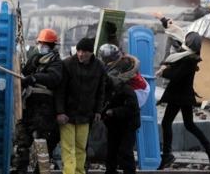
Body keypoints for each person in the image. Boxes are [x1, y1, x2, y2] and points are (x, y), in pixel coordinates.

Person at [155, 24, 210, 170]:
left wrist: (164, 72)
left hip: (179, 95)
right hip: (184, 95)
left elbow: (175, 76)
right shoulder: (189, 57)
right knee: (189, 125)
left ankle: (167, 155)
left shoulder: (188, 59)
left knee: (166, 123)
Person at [14, 28, 63, 174]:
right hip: (29, 106)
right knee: (22, 140)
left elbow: (54, 78)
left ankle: (41, 171)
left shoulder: (56, 63)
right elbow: (23, 74)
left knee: (42, 143)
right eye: (40, 43)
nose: (42, 46)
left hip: (44, 109)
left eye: (45, 44)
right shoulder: (34, 59)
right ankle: (20, 169)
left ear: (52, 46)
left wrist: (35, 78)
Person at [55, 37, 106, 174]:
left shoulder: (99, 67)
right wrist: (60, 112)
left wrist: (98, 111)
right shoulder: (67, 64)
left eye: (84, 51)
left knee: (81, 148)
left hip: (85, 115)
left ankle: (79, 172)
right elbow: (60, 91)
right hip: (68, 115)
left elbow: (101, 91)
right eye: (79, 51)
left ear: (91, 53)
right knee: (68, 147)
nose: (81, 54)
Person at [99, 45, 141, 174]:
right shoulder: (108, 72)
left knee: (125, 152)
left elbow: (131, 107)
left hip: (127, 122)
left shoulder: (124, 78)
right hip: (112, 121)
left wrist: (114, 111)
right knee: (111, 151)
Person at [98, 43, 150, 108]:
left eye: (103, 59)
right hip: (139, 86)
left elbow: (112, 81)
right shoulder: (118, 58)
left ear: (110, 59)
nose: (101, 60)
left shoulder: (121, 66)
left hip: (139, 91)